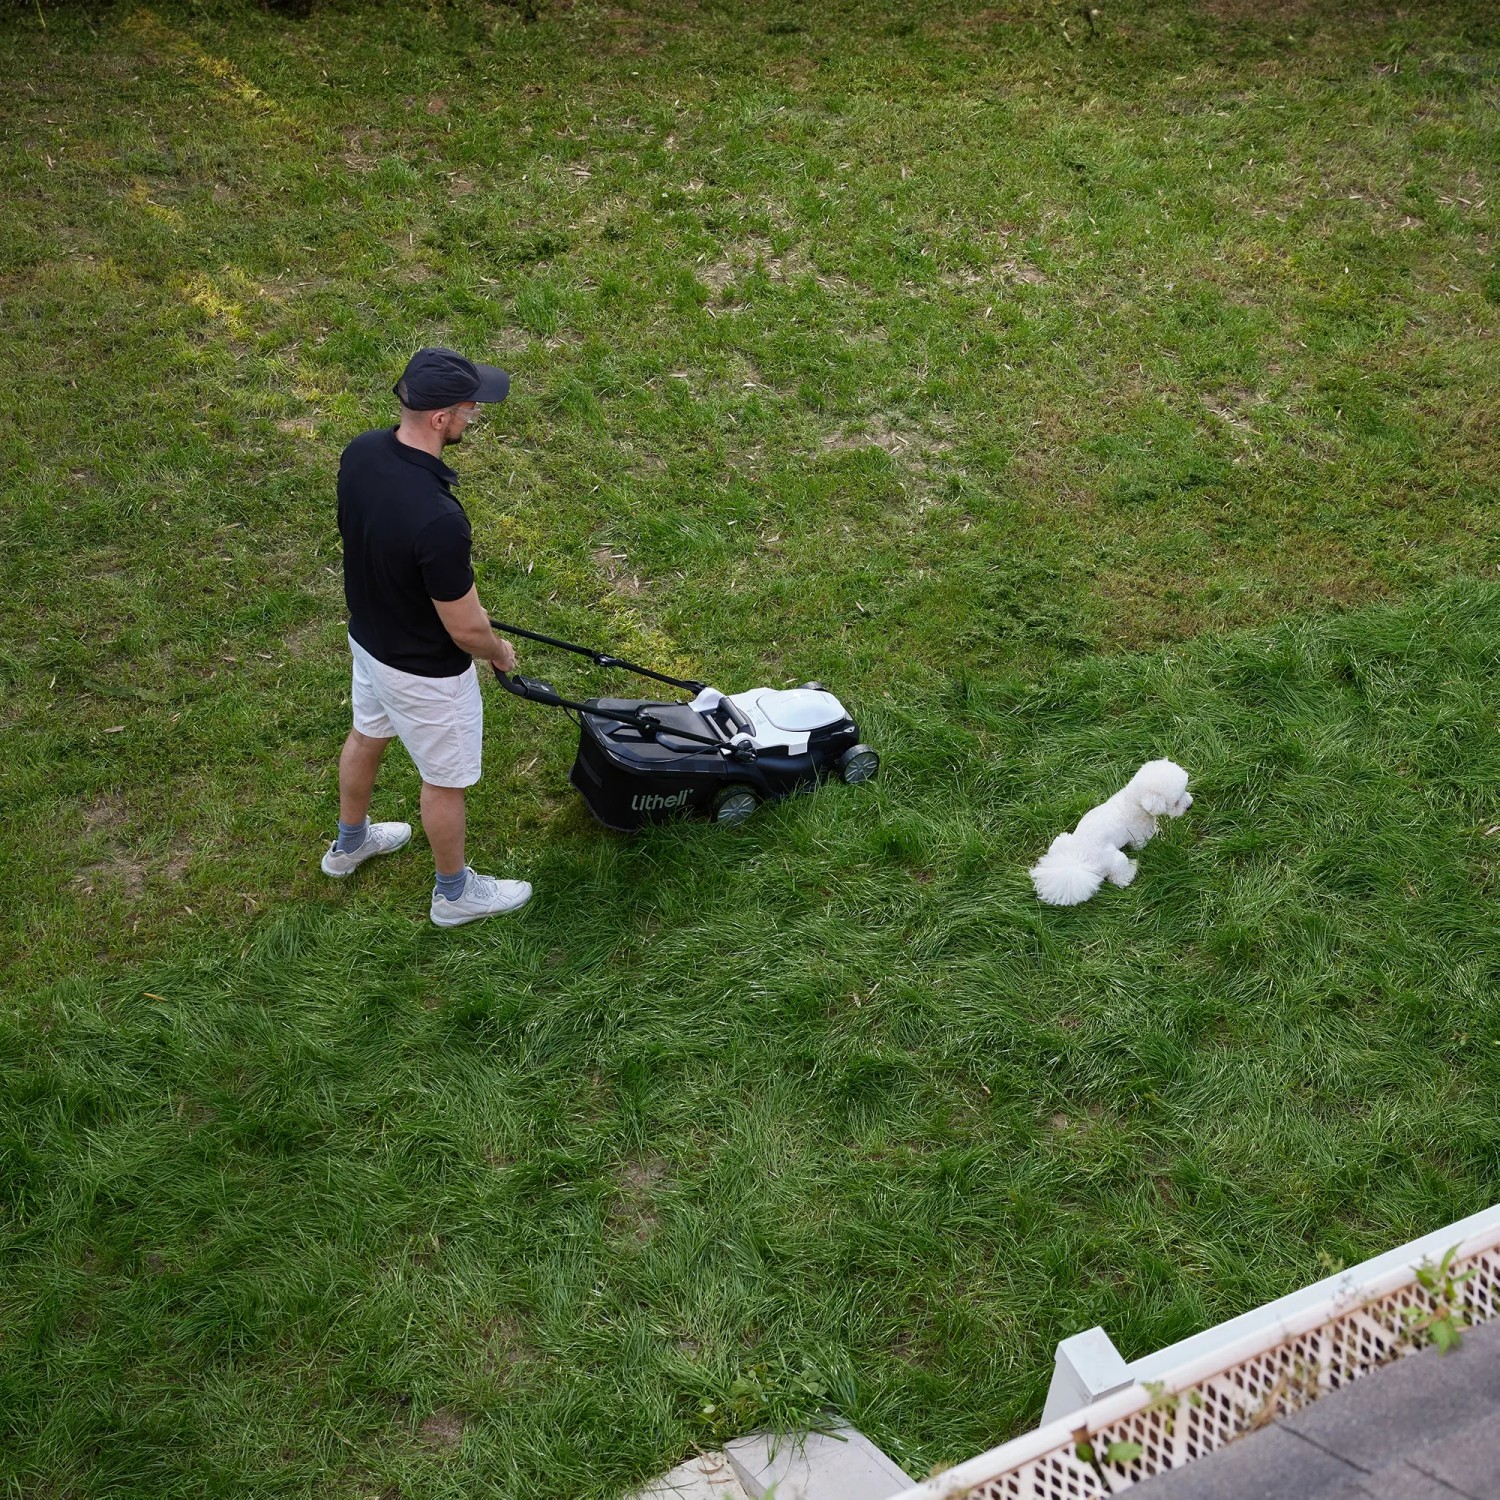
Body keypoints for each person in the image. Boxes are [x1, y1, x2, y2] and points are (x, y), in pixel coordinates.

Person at [321, 346, 532, 927]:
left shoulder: (361, 452)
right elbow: (464, 628)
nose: (475, 418)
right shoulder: (438, 519)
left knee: (366, 735)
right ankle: (454, 893)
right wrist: (498, 652)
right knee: (445, 780)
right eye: (470, 409)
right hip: (424, 672)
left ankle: (349, 845)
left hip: (369, 640)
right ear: (441, 419)